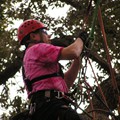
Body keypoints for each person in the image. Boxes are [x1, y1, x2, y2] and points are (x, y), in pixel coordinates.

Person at [17, 19, 88, 120]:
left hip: (45, 107)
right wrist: (81, 39)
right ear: (33, 36)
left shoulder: (32, 56)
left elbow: (66, 82)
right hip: (50, 106)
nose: (49, 36)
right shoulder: (37, 49)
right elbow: (73, 51)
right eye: (45, 32)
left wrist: (78, 58)